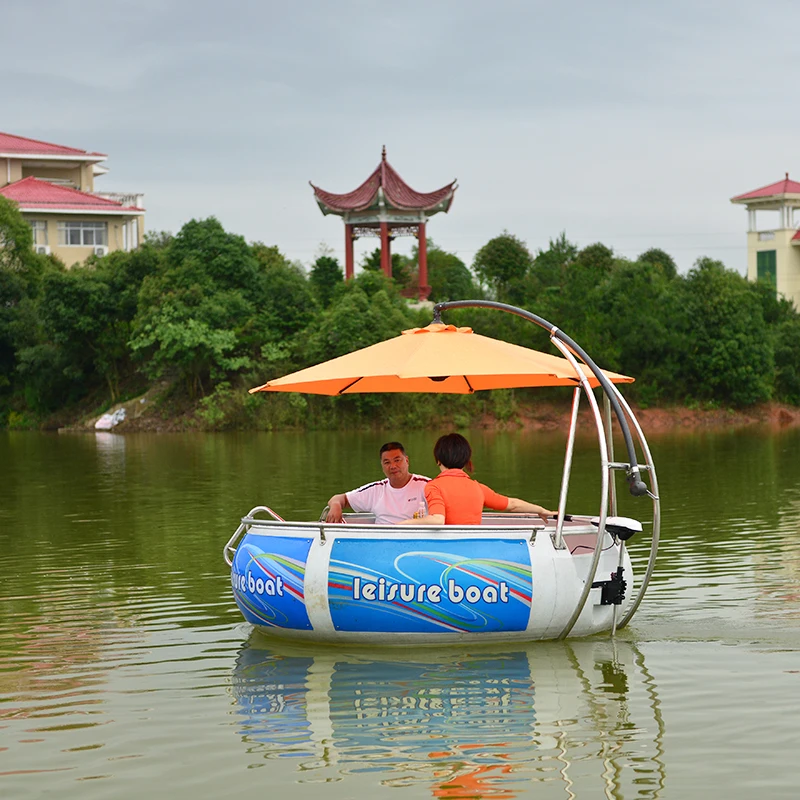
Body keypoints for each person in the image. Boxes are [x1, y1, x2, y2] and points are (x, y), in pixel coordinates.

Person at [399, 432, 556, 526]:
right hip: (474, 548)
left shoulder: (434, 487)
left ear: (438, 460)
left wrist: (402, 524)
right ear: (466, 460)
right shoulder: (478, 487)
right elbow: (513, 505)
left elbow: (437, 520)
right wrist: (542, 510)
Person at [325, 441, 430, 524]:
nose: (393, 466)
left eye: (397, 460)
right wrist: (335, 506)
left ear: (407, 461)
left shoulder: (427, 486)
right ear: (382, 466)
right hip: (381, 540)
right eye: (387, 462)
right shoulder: (376, 490)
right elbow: (338, 499)